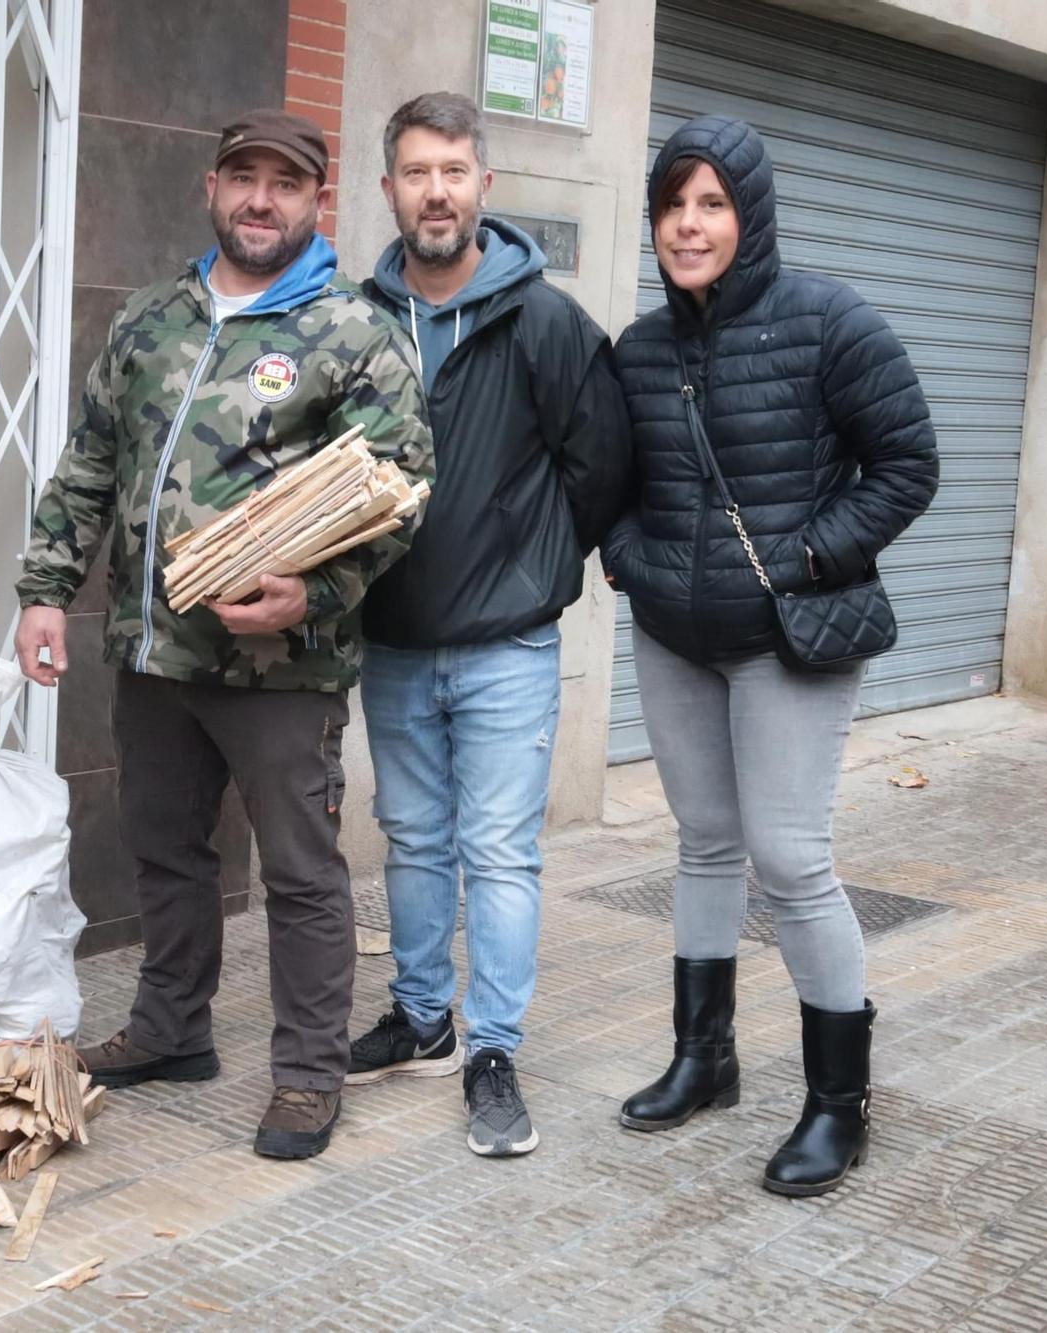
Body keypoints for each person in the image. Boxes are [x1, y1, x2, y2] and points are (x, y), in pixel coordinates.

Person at [13, 109, 433, 1160]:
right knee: (163, 850)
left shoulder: (351, 330)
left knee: (297, 873)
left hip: (279, 666)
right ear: (209, 187)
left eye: (282, 183)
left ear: (313, 202)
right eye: (242, 177)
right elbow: (90, 462)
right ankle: (170, 1029)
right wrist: (44, 588)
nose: (259, 198)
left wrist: (317, 591)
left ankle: (305, 1073)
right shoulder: (152, 319)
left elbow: (401, 492)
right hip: (154, 654)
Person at [602, 116, 938, 1196]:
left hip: (785, 641)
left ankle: (838, 1106)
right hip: (672, 636)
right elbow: (610, 486)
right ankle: (703, 1060)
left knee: (788, 860)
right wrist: (628, 564)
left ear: (749, 215)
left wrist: (800, 556)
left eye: (710, 203)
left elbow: (905, 463)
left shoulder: (828, 322)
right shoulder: (639, 351)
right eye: (671, 204)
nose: (687, 225)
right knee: (702, 845)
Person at [343, 92, 631, 1159]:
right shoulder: (357, 320)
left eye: (452, 171)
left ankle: (493, 1051)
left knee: (499, 854)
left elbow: (598, 465)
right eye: (415, 172)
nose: (434, 191)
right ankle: (422, 1016)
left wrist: (537, 560)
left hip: (507, 643)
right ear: (389, 190)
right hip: (393, 637)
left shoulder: (542, 320)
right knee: (413, 840)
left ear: (483, 187)